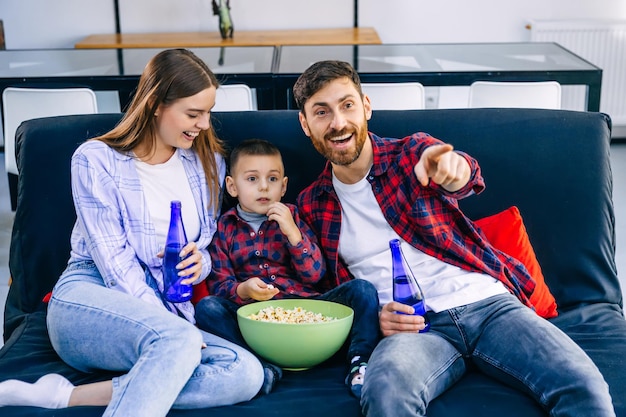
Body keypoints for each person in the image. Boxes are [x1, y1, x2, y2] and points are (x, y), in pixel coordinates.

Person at [292, 60, 616, 417]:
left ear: (366, 106)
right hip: (413, 330)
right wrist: (374, 317)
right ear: (306, 124)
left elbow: (463, 171)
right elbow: (330, 292)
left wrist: (454, 171)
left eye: (347, 105)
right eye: (322, 112)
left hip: (489, 306)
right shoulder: (311, 204)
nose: (338, 122)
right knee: (385, 395)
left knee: (584, 386)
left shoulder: (411, 152)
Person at [0, 49, 264, 416]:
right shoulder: (95, 160)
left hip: (167, 305)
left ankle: (65, 396)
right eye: (193, 113)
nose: (204, 124)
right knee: (178, 341)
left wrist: (198, 263)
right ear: (156, 103)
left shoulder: (209, 164)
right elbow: (114, 262)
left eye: (208, 112)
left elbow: (205, 248)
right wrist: (175, 328)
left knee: (244, 373)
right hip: (92, 291)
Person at [194, 138, 380, 398]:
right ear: (232, 186)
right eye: (252, 179)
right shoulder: (224, 228)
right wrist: (244, 290)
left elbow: (315, 274)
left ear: (283, 187)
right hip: (257, 323)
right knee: (207, 308)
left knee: (362, 290)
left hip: (307, 311)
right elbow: (219, 284)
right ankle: (264, 367)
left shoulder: (293, 216)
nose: (263, 187)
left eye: (272, 179)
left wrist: (293, 233)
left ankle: (360, 362)